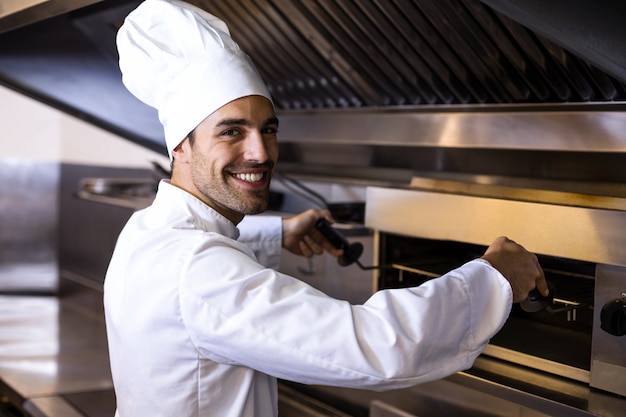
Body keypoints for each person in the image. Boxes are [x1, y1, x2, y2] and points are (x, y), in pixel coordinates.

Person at [104, 1, 547, 416]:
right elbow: (377, 347)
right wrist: (494, 275)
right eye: (232, 132)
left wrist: (278, 232)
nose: (260, 152)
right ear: (182, 145)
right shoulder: (201, 274)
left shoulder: (146, 231)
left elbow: (200, 266)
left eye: (268, 129)